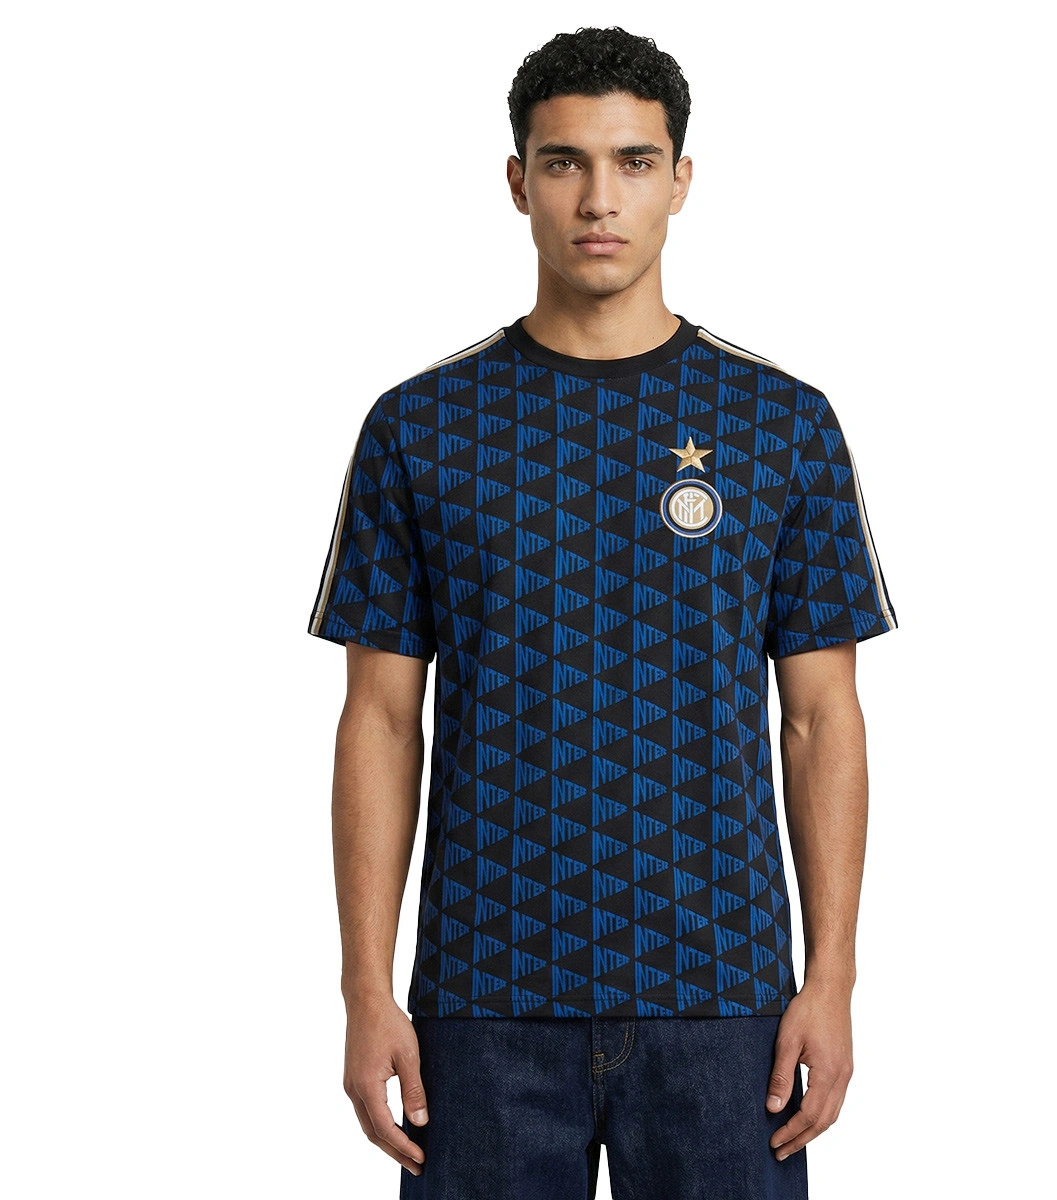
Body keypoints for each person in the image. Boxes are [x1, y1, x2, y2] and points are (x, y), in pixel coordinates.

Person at [307, 25, 898, 1200]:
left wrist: (831, 978)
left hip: (725, 998)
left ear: (681, 180)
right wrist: (366, 989)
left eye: (633, 162)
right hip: (481, 1000)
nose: (598, 199)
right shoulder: (419, 428)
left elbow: (821, 719)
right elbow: (379, 719)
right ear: (517, 181)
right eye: (565, 162)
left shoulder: (783, 424)